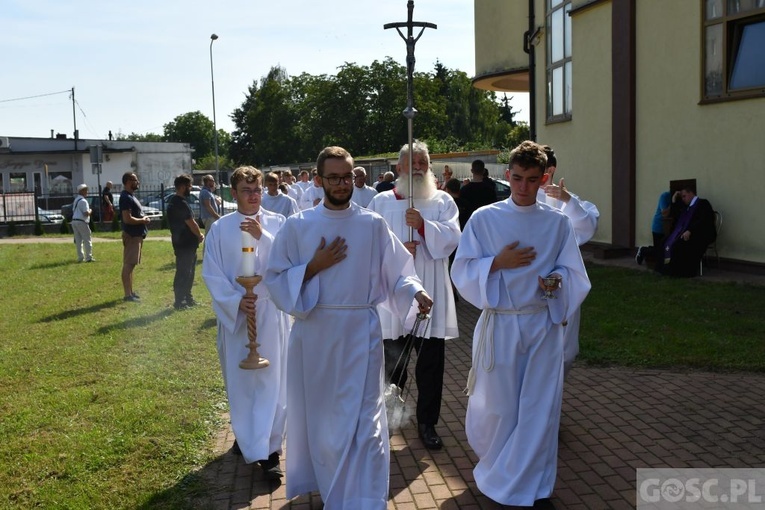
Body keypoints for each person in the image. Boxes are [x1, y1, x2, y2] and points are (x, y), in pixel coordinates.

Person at [264, 146, 433, 509]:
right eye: (334, 177)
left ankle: (365, 498)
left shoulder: (371, 224)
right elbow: (275, 278)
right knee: (326, 424)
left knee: (366, 422)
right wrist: (313, 266)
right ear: (319, 179)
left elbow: (398, 271)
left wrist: (415, 290)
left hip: (360, 332)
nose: (342, 184)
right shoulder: (299, 226)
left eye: (348, 176)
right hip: (316, 333)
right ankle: (335, 491)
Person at [450, 140, 590, 508]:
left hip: (541, 325)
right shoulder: (485, 218)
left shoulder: (557, 222)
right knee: (499, 407)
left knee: (539, 409)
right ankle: (497, 472)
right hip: (501, 326)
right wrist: (496, 262)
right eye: (516, 178)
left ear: (543, 178)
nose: (523, 187)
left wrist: (555, 281)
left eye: (531, 179)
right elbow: (461, 268)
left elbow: (573, 271)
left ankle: (534, 487)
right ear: (507, 176)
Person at [367, 140, 460, 451]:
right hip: (394, 295)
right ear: (399, 169)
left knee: (431, 365)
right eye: (412, 163)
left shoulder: (442, 202)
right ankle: (390, 417)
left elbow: (451, 239)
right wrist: (394, 254)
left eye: (423, 163)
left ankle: (426, 423)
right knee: (393, 362)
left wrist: (423, 226)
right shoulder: (380, 203)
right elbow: (367, 245)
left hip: (430, 291)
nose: (418, 168)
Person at [202, 165, 290, 477]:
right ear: (233, 193)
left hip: (269, 312)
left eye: (257, 190)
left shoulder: (277, 222)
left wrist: (262, 236)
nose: (254, 196)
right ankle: (247, 435)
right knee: (241, 383)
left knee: (272, 383)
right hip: (237, 317)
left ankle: (269, 451)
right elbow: (211, 273)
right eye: (246, 191)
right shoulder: (220, 229)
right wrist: (236, 301)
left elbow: (287, 261)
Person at [536, 145, 600, 378]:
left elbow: (587, 226)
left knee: (564, 350)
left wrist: (567, 200)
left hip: (561, 282)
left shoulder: (568, 201)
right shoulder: (522, 200)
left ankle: (553, 392)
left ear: (550, 169)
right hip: (529, 282)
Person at [167, 174, 204, 310]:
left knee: (189, 271)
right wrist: (199, 234)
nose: (190, 189)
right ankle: (180, 301)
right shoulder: (180, 203)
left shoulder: (173, 201)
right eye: (189, 186)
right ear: (182, 187)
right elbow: (191, 222)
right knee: (183, 272)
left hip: (183, 243)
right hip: (185, 243)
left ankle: (187, 297)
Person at [661, 186, 716, 277]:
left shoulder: (703, 203)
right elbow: (676, 217)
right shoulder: (686, 208)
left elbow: (704, 220)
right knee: (665, 241)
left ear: (691, 193)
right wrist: (674, 200)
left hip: (701, 233)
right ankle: (666, 269)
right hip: (686, 233)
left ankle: (681, 272)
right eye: (682, 197)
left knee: (680, 244)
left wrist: (690, 230)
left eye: (684, 196)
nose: (683, 199)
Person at [119, 172, 151, 302]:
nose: (137, 182)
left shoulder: (131, 196)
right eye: (134, 180)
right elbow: (127, 219)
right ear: (127, 181)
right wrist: (142, 220)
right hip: (132, 235)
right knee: (128, 264)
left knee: (131, 265)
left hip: (137, 235)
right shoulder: (125, 197)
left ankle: (130, 292)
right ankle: (127, 295)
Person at [636, 190, 672, 269]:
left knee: (663, 248)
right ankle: (643, 250)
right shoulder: (665, 196)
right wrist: (673, 202)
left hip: (669, 228)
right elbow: (664, 213)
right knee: (658, 250)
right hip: (658, 227)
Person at [71, 183, 94, 262]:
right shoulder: (83, 201)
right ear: (82, 191)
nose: (87, 191)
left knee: (78, 240)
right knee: (87, 239)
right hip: (81, 221)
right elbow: (86, 213)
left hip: (74, 221)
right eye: (86, 190)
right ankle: (88, 257)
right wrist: (90, 211)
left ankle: (80, 257)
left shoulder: (76, 199)